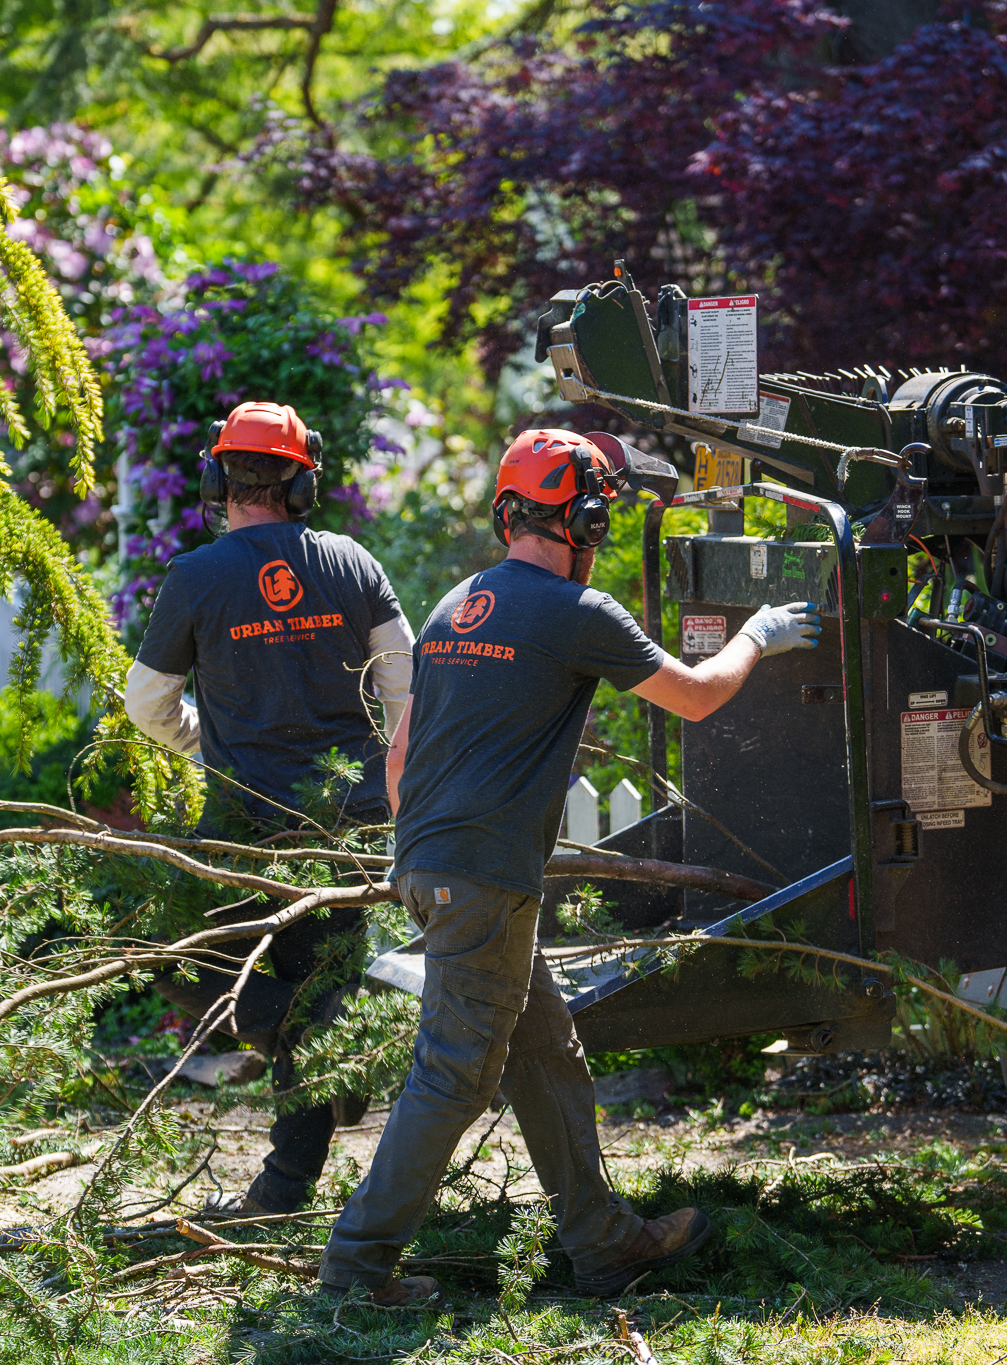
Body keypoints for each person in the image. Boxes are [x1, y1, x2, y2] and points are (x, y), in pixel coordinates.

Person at [318, 427, 821, 1304]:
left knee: (543, 1047)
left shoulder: (455, 605)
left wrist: (440, 861)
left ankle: (603, 1242)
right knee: (455, 1073)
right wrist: (760, 633)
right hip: (482, 877)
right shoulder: (577, 612)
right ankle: (355, 1271)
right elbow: (697, 695)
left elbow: (400, 761)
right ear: (584, 518)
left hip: (438, 866)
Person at [126, 400, 415, 1215]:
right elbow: (406, 689)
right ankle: (335, 1041)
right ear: (302, 481)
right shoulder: (353, 563)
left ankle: (287, 1181)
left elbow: (146, 703)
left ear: (218, 479)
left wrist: (203, 743)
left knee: (181, 961)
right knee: (316, 991)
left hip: (243, 824)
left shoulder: (195, 577)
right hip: (347, 823)